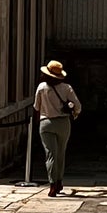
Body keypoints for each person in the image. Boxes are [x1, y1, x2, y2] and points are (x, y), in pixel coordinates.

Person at [33, 59, 82, 195]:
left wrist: (38, 122)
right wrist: (74, 114)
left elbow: (36, 107)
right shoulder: (67, 88)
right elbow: (78, 106)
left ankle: (52, 183)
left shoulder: (42, 87)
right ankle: (59, 180)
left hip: (46, 122)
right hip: (63, 123)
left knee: (50, 155)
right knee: (61, 153)